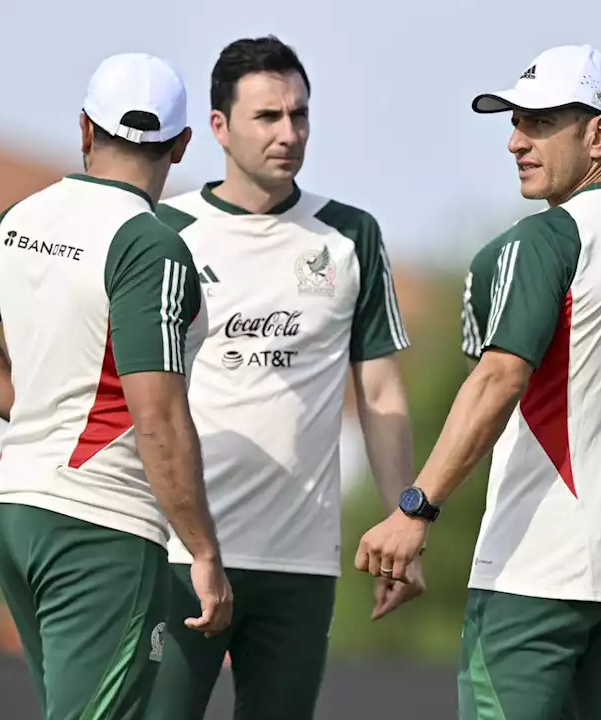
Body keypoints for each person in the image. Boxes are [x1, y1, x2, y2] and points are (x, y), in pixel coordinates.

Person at [354, 44, 601, 719]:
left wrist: (415, 509)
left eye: (540, 123)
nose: (515, 142)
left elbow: (497, 379)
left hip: (532, 580)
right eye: (515, 122)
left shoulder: (544, 240)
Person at [0, 52, 232, 720]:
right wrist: (202, 550)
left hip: (15, 508)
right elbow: (159, 417)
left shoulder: (24, 217)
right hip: (100, 521)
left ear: (86, 129)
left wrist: (33, 412)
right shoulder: (150, 244)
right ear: (181, 145)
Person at [146, 36, 417, 720]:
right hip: (181, 553)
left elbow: (381, 393)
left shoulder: (351, 236)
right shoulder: (163, 229)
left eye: (300, 115)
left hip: (301, 562)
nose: (289, 133)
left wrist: (403, 525)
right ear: (219, 127)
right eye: (268, 117)